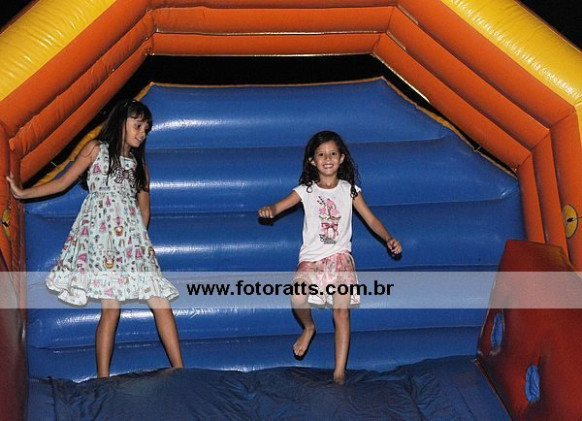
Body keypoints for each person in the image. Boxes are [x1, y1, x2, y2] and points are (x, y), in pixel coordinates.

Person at [6, 99, 183, 377]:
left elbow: (144, 210)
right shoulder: (96, 149)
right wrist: (23, 192)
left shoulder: (139, 166)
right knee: (111, 309)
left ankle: (180, 368)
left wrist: (137, 243)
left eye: (146, 129)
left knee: (159, 300)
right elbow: (62, 182)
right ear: (121, 122)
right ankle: (103, 377)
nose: (142, 133)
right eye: (138, 126)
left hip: (132, 242)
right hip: (103, 241)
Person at [258, 130, 402, 384]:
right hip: (312, 259)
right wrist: (271, 209)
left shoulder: (350, 191)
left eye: (333, 153)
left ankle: (339, 372)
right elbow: (280, 205)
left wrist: (388, 238)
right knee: (298, 296)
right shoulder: (306, 190)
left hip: (340, 259)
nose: (327, 158)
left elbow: (371, 219)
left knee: (341, 313)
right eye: (321, 154)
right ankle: (309, 327)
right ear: (312, 161)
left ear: (342, 158)